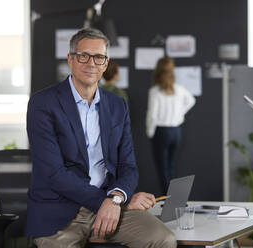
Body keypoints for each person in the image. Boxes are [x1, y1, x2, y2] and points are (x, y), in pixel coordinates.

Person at [26, 28, 176, 248]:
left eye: (99, 57)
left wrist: (116, 198)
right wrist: (105, 202)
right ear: (71, 59)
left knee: (164, 240)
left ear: (106, 64)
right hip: (58, 210)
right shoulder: (43, 104)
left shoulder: (117, 105)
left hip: (109, 205)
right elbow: (54, 174)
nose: (91, 63)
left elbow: (128, 165)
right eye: (83, 56)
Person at [146, 57, 196, 195]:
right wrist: (180, 114)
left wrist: (150, 132)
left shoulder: (155, 91)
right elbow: (191, 100)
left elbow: (152, 115)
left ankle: (166, 200)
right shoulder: (179, 89)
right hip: (176, 132)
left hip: (161, 132)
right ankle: (173, 200)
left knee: (162, 169)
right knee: (171, 167)